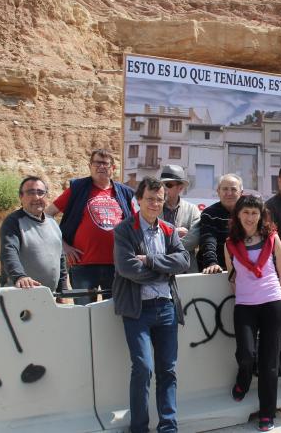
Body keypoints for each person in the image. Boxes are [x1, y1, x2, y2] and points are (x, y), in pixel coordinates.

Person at [113, 177, 191, 433]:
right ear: (138, 200)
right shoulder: (125, 229)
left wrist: (151, 260)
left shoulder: (169, 230)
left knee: (168, 370)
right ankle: (139, 428)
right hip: (138, 310)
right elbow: (127, 268)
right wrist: (162, 271)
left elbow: (183, 261)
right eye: (150, 199)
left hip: (167, 308)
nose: (155, 204)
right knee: (143, 368)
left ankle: (168, 426)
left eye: (159, 199)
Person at [224, 195, 281, 432]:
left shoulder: (272, 238)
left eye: (254, 213)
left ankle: (267, 413)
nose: (250, 218)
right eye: (246, 213)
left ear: (261, 215)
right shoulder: (230, 243)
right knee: (246, 354)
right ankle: (243, 379)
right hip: (245, 306)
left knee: (269, 363)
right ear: (238, 215)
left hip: (273, 303)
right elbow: (232, 277)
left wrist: (275, 296)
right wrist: (245, 296)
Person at [47, 149, 135, 305]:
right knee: (84, 314)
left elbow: (138, 222)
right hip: (82, 266)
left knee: (114, 315)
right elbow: (47, 215)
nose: (101, 166)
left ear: (113, 168)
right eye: (97, 163)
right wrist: (64, 246)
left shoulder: (126, 193)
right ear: (90, 166)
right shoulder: (77, 189)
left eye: (105, 163)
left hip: (116, 267)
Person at [0, 176, 68, 298]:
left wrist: (62, 290)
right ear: (21, 197)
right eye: (31, 192)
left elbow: (60, 258)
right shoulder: (13, 222)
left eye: (41, 192)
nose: (36, 197)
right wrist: (19, 276)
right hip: (20, 294)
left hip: (50, 297)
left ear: (46, 196)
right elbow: (9, 252)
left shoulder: (52, 223)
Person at [158, 165, 201, 271]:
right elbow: (146, 236)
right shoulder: (152, 208)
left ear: (180, 187)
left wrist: (161, 245)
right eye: (161, 184)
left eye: (168, 184)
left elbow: (194, 240)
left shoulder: (192, 209)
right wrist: (175, 232)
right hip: (159, 271)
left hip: (185, 271)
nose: (163, 188)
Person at [198, 174, 243, 273]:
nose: (229, 193)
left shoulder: (247, 213)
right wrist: (211, 263)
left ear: (241, 192)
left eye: (233, 189)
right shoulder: (209, 213)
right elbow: (208, 240)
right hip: (216, 272)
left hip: (243, 271)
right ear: (218, 191)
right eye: (225, 189)